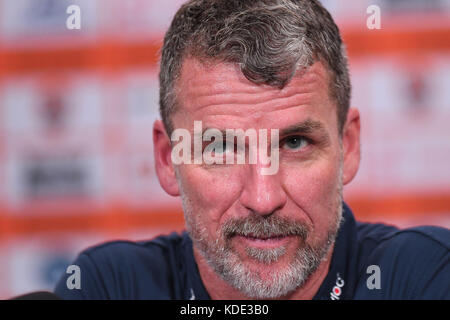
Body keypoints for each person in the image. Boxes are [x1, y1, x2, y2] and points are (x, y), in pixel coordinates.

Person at [55, 0, 449, 300]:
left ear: (349, 146)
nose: (263, 199)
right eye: (221, 148)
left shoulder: (426, 276)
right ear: (166, 159)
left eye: (295, 143)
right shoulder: (109, 287)